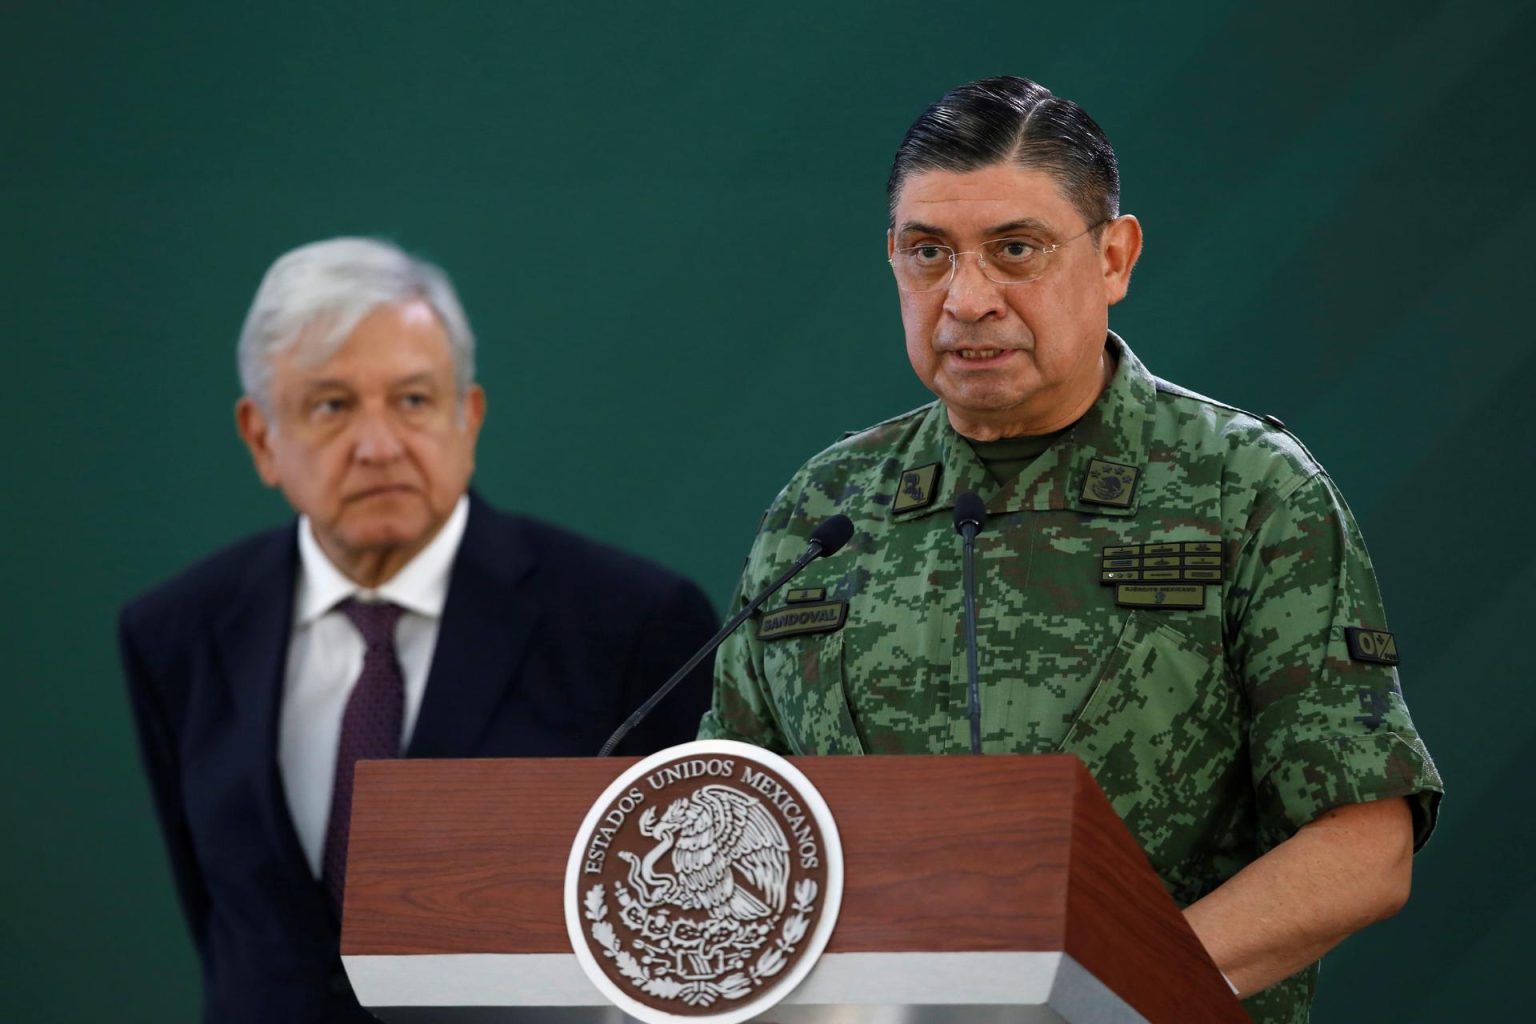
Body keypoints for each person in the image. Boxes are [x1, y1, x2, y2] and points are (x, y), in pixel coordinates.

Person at [699, 76, 1441, 1023]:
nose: (966, 300)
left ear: (1115, 258)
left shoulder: (1247, 489)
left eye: (1017, 250)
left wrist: (1098, 992)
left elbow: (1362, 844)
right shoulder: (826, 506)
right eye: (929, 253)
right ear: (892, 259)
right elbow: (728, 809)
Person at [120, 237, 718, 1024]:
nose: (378, 446)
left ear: (466, 418)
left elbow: (689, 938)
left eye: (412, 400)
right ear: (262, 437)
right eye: (331, 406)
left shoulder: (632, 624)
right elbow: (224, 925)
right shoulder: (179, 632)